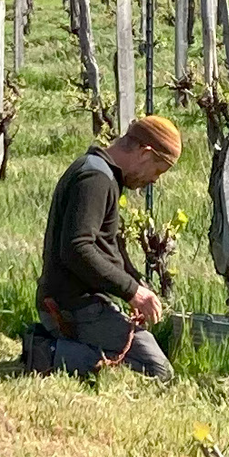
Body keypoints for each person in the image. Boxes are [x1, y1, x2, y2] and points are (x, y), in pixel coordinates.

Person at [29, 115, 182, 381]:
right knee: (158, 371)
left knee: (146, 359)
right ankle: (47, 352)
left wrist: (135, 284)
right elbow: (77, 248)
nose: (155, 180)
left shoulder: (102, 174)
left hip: (79, 303)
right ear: (145, 153)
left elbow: (104, 247)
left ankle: (62, 348)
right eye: (158, 171)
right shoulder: (95, 179)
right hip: (73, 307)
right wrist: (131, 291)